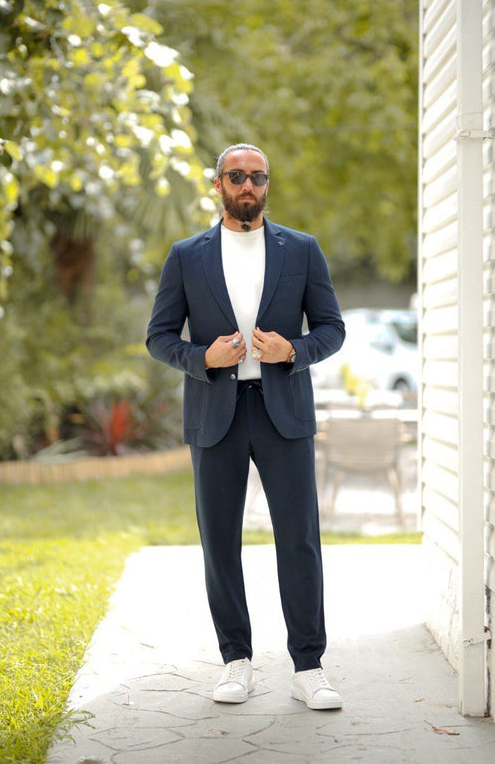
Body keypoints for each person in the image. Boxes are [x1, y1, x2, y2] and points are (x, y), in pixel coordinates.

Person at [146, 143, 345, 710]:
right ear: (218, 185)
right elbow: (159, 337)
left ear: (266, 185)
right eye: (236, 176)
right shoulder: (187, 256)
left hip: (284, 412)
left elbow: (331, 328)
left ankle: (309, 667)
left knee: (299, 540)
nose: (248, 186)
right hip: (216, 413)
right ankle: (236, 660)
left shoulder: (301, 249)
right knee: (220, 542)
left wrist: (294, 350)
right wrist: (201, 358)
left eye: (258, 177)